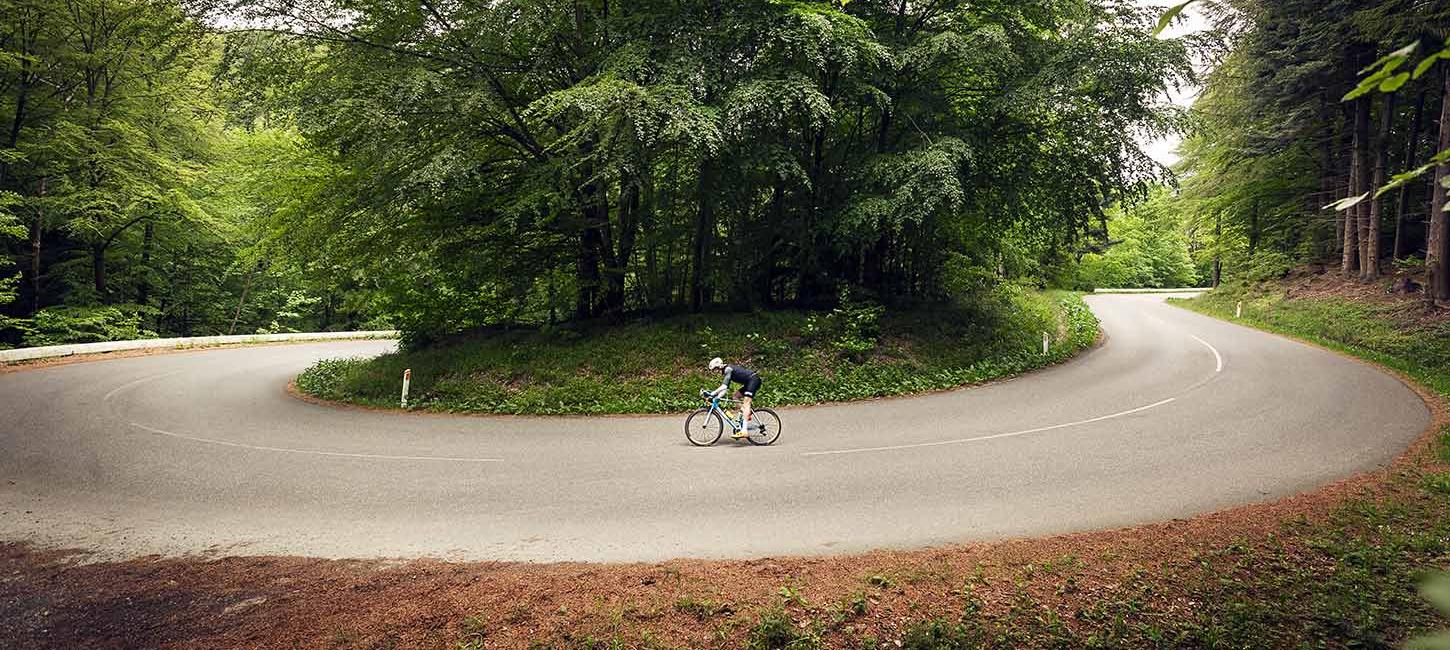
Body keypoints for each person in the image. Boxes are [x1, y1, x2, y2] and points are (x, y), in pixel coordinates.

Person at [708, 357, 761, 438]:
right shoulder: (726, 371)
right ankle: (746, 413)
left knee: (746, 402)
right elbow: (725, 389)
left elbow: (724, 386)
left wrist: (713, 394)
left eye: (715, 370)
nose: (715, 372)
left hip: (753, 380)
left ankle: (744, 431)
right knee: (735, 396)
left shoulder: (728, 369)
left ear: (719, 366)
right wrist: (717, 398)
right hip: (749, 382)